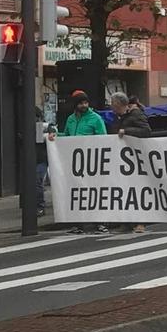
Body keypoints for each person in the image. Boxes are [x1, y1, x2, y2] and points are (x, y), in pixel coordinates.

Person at [51, 90, 108, 234]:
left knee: (94, 192)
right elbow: (67, 136)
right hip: (75, 162)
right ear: (75, 105)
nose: (84, 105)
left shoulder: (95, 118)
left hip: (91, 162)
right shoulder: (71, 119)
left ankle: (100, 223)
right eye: (81, 103)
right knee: (77, 193)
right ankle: (78, 224)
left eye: (86, 102)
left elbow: (103, 138)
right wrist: (56, 136)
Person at [110, 92, 152, 233]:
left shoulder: (135, 114)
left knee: (138, 189)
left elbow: (146, 131)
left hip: (136, 158)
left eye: (112, 103)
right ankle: (126, 223)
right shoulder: (120, 116)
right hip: (124, 160)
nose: (111, 107)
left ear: (118, 104)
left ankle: (141, 222)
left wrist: (126, 131)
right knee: (126, 190)